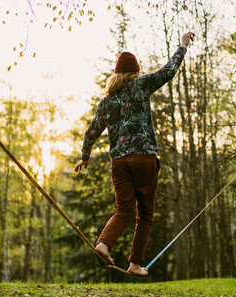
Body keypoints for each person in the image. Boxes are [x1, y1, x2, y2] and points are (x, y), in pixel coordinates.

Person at [75, 31, 195, 276]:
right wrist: (182, 46)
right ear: (135, 72)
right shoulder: (141, 85)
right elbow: (169, 71)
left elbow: (91, 131)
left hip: (118, 162)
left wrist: (85, 156)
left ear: (116, 74)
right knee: (146, 215)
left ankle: (103, 244)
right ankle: (135, 264)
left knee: (124, 210)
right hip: (143, 158)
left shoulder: (107, 101)